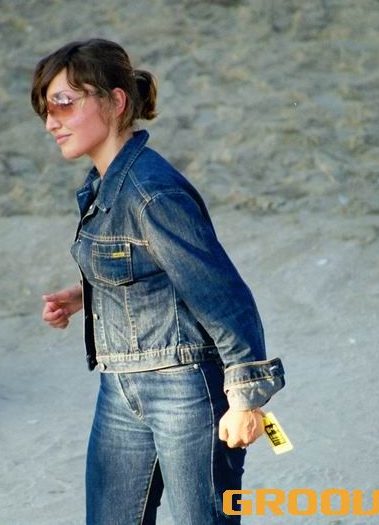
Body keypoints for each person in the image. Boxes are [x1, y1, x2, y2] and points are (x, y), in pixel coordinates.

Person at [32, 38, 286, 523]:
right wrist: (91, 292)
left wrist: (245, 400)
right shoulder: (104, 183)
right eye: (46, 109)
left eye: (64, 103)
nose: (51, 122)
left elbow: (223, 296)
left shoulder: (152, 193)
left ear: (115, 101)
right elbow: (152, 266)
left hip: (186, 393)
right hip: (120, 387)